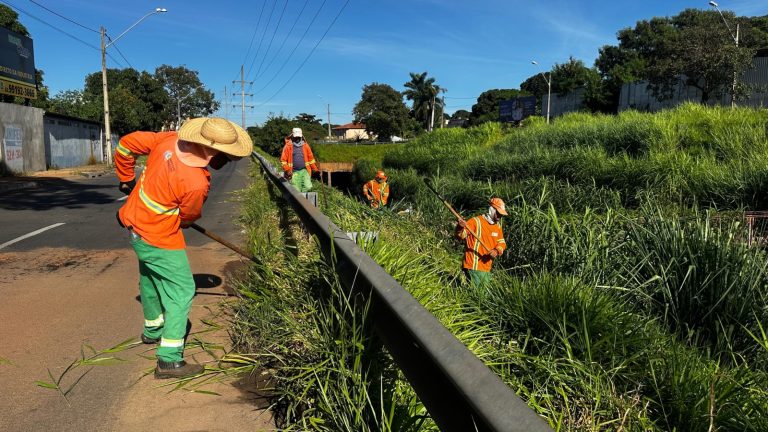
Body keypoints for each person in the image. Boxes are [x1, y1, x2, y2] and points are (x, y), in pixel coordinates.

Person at [115, 117, 252, 379]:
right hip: (158, 236)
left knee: (151, 278)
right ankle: (169, 360)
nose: (227, 161)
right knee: (182, 290)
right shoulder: (196, 181)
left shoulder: (168, 139)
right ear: (215, 152)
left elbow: (125, 144)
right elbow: (189, 216)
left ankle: (153, 330)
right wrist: (183, 220)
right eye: (227, 156)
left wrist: (126, 177)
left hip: (133, 223)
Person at [455, 198, 508, 288]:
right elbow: (460, 236)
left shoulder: (497, 227)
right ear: (492, 210)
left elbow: (502, 243)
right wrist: (460, 227)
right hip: (473, 265)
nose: (500, 217)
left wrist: (496, 250)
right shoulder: (475, 222)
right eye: (498, 213)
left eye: (501, 214)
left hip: (486, 267)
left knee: (483, 295)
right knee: (479, 296)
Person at [280, 127, 318, 193]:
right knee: (296, 190)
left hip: (305, 171)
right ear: (292, 136)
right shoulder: (288, 146)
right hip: (294, 172)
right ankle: (300, 200)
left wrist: (315, 169)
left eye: (298, 137)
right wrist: (287, 169)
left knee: (307, 187)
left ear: (301, 136)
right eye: (296, 137)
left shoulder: (305, 146)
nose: (297, 138)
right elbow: (283, 161)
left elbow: (311, 159)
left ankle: (303, 199)